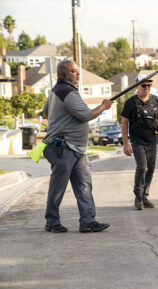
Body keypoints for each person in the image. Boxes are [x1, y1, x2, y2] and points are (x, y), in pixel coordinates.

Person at [42, 60, 112, 233]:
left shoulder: (56, 90)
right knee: (58, 187)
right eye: (73, 71)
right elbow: (85, 115)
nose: (78, 74)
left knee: (84, 185)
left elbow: (45, 111)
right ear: (63, 74)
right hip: (64, 147)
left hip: (76, 149)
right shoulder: (67, 91)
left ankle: (88, 221)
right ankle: (51, 221)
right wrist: (103, 106)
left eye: (77, 71)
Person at [121, 74, 158, 210]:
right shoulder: (130, 102)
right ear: (137, 86)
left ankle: (145, 196)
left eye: (149, 85)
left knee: (150, 169)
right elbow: (124, 123)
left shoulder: (155, 100)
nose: (147, 88)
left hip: (152, 140)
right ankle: (138, 197)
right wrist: (126, 143)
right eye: (144, 85)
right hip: (137, 141)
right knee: (142, 168)